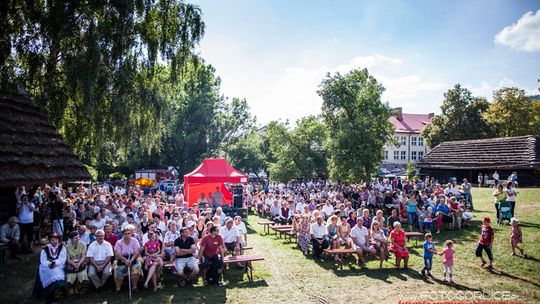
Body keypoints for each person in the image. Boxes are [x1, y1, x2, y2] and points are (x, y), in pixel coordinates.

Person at [33, 233, 67, 303]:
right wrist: (49, 264)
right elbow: (43, 260)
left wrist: (55, 263)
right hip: (47, 266)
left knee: (56, 272)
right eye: (53, 240)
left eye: (56, 240)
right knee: (47, 272)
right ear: (49, 241)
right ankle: (49, 293)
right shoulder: (45, 249)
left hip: (59, 265)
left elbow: (62, 259)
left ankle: (58, 291)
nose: (55, 241)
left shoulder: (62, 248)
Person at [114, 225, 142, 293]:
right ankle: (118, 289)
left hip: (133, 258)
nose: (127, 235)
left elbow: (137, 252)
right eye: (125, 234)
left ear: (131, 234)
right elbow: (117, 254)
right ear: (123, 235)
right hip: (122, 259)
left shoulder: (135, 241)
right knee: (119, 272)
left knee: (135, 270)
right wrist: (125, 260)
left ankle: (134, 287)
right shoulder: (119, 242)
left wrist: (131, 260)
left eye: (129, 233)